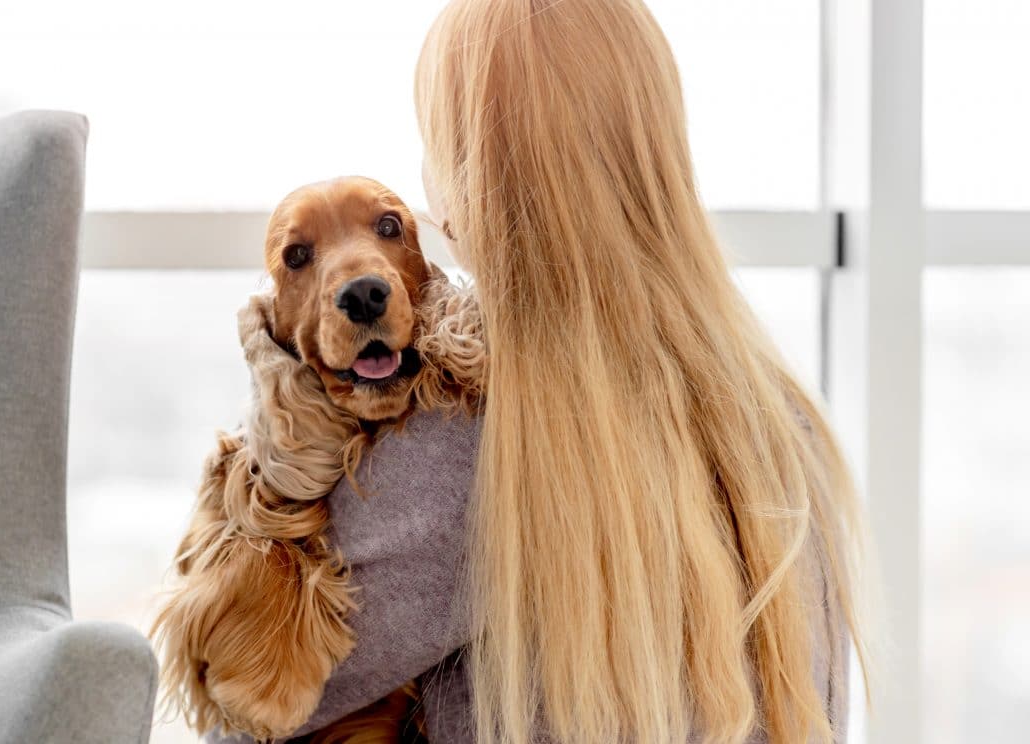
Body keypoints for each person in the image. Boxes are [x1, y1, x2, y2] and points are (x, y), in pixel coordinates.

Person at [217, 1, 868, 742]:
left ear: (464, 189)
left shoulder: (466, 445)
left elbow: (239, 720)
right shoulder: (784, 422)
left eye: (434, 143)